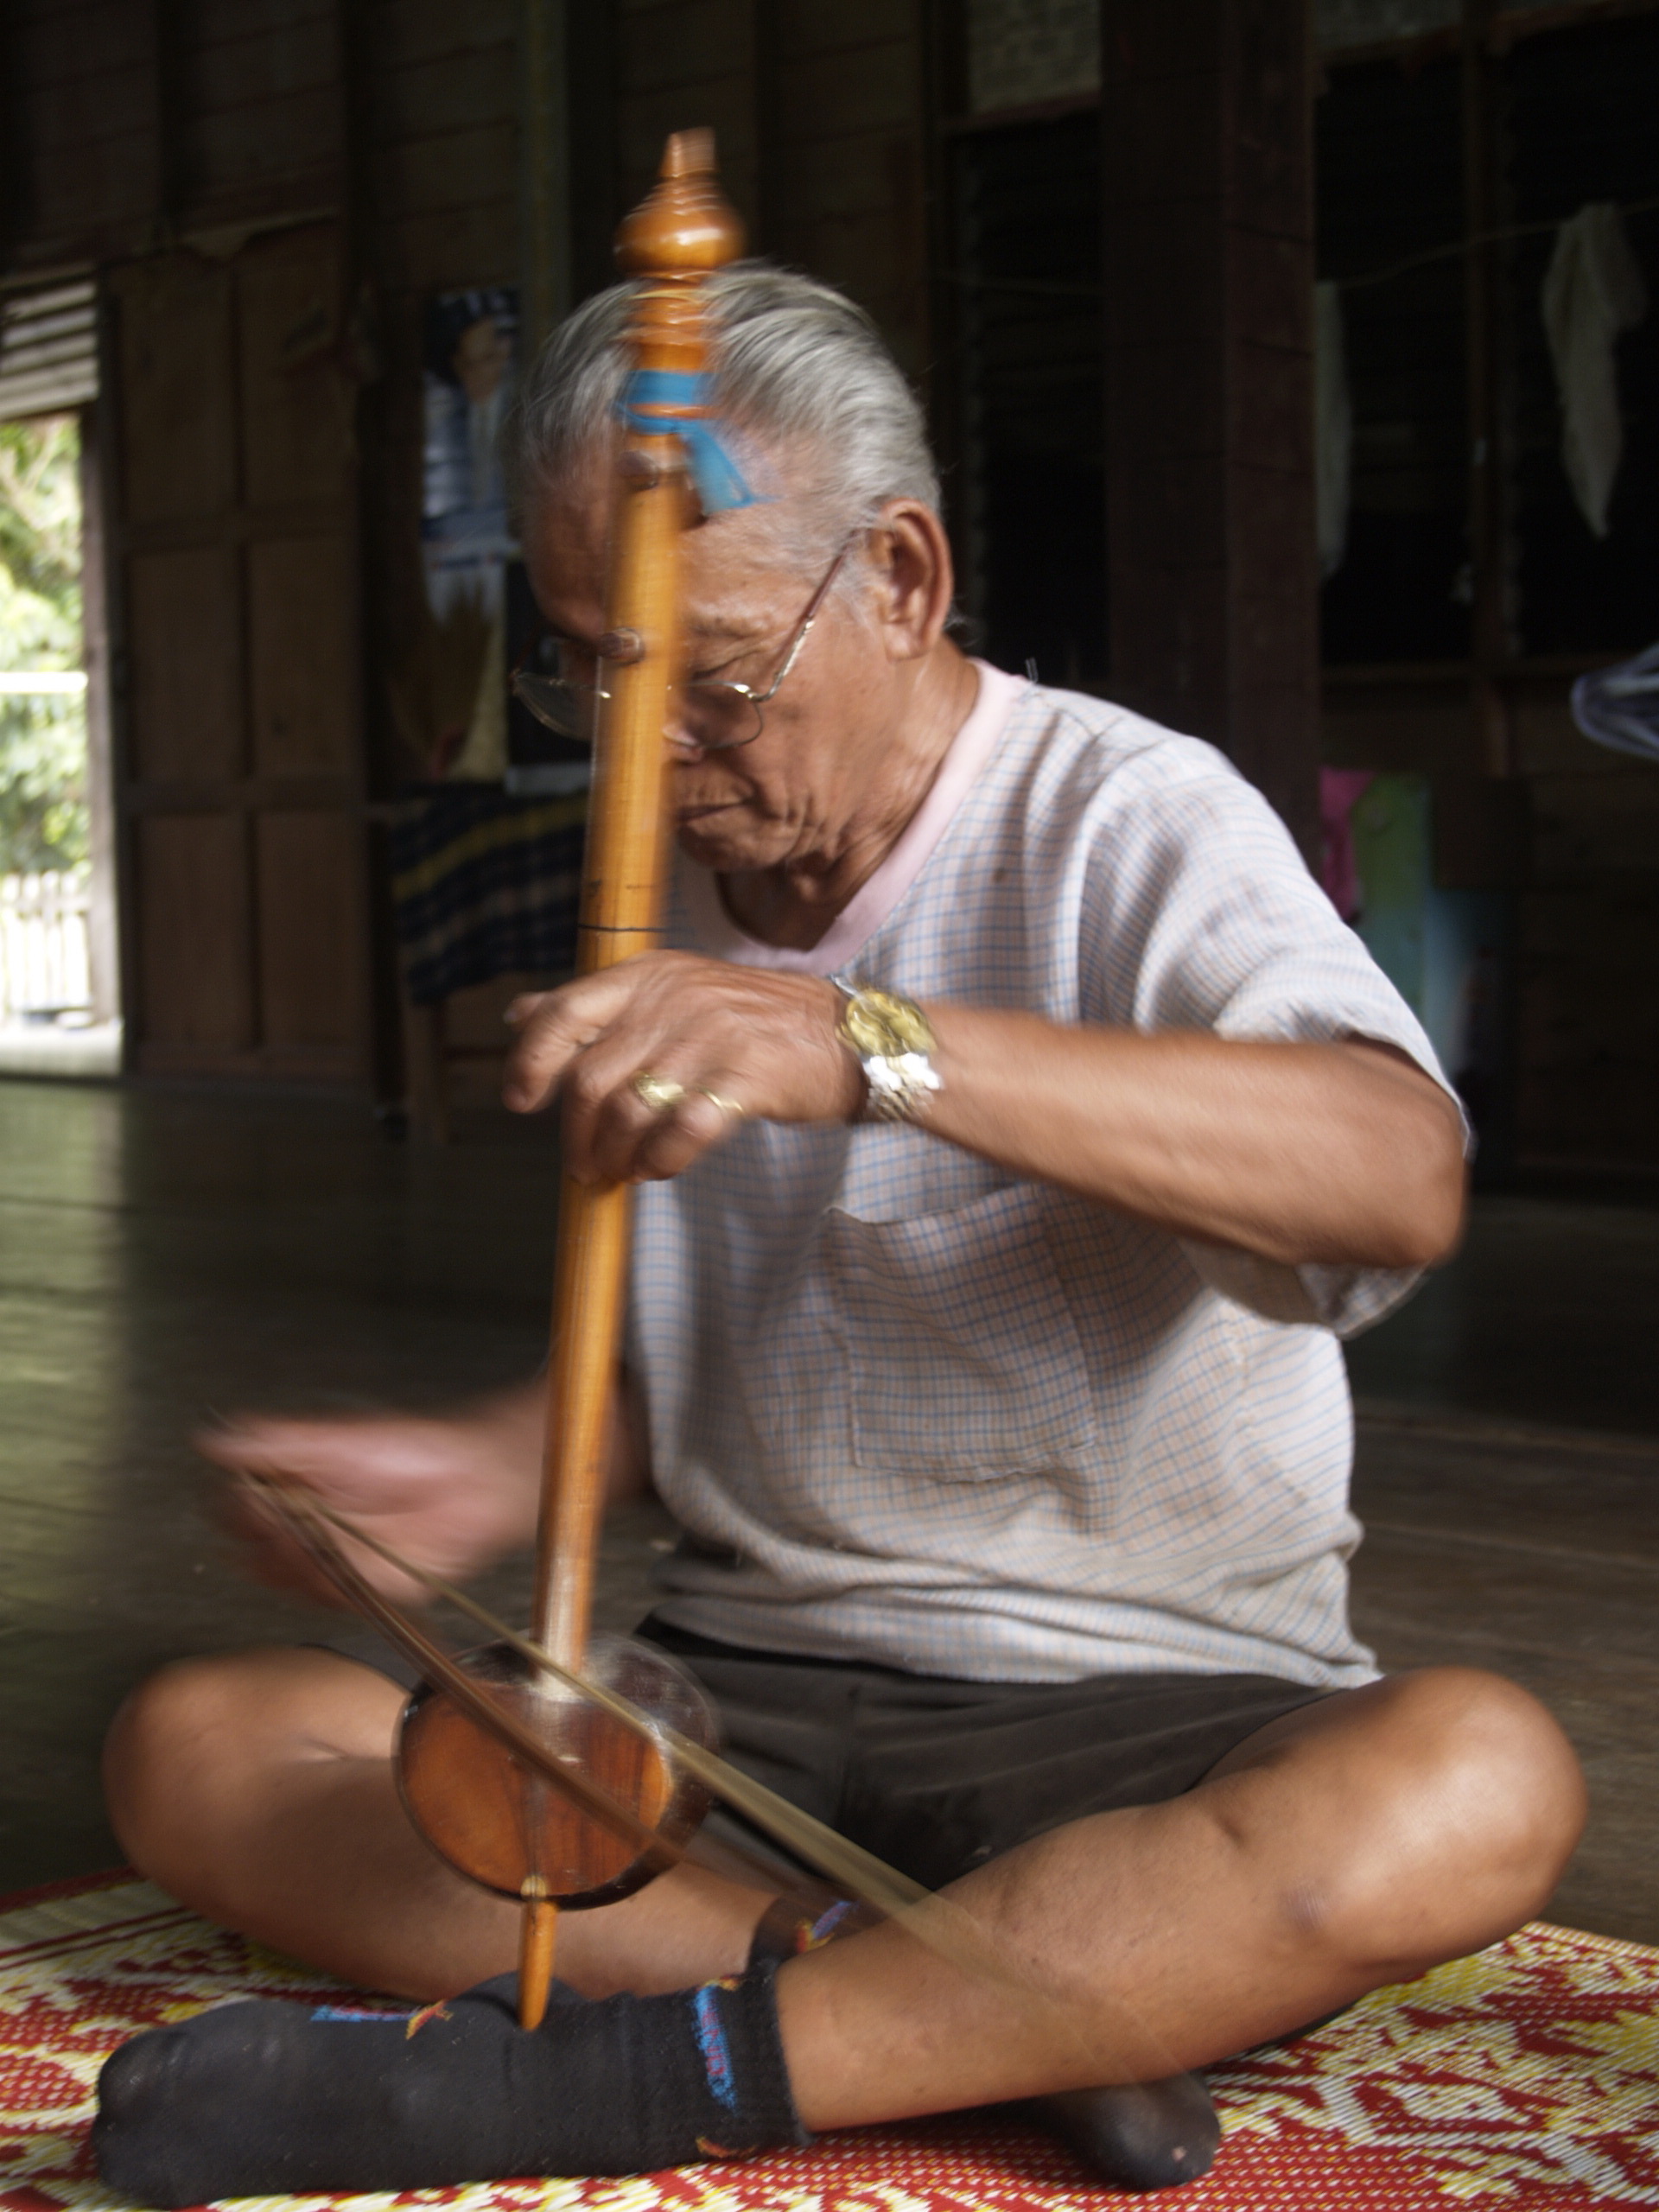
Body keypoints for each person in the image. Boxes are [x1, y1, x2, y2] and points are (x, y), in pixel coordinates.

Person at [93, 266, 1586, 2206]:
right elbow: (731, 1342)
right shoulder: (682, 845)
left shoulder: (1130, 818)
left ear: (899, 576)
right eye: (586, 670)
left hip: (1138, 1708)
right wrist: (473, 1460)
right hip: (737, 1701)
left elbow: (1396, 1172)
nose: (650, 751)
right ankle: (963, 2015)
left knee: (1476, 1781)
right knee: (203, 1740)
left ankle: (565, 2084)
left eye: (711, 676)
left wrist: (867, 1041)